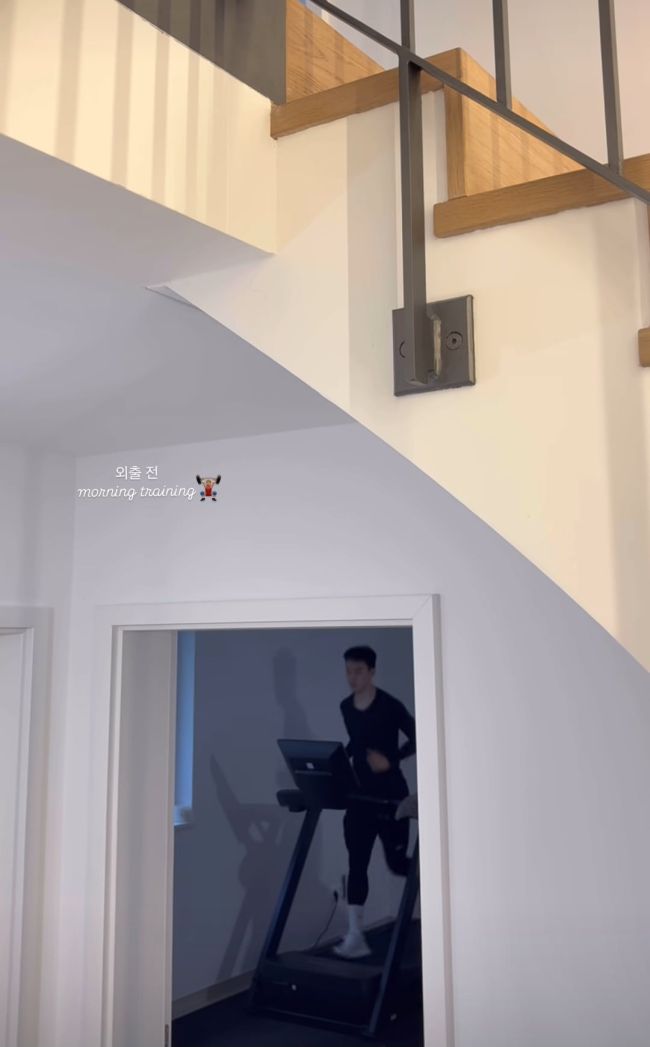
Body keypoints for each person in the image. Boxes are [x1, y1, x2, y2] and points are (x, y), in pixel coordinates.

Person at [333, 645, 416, 959]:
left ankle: (438, 889)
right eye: (348, 671)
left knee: (397, 864)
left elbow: (419, 736)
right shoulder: (345, 707)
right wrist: (338, 760)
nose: (352, 677)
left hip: (391, 795)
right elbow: (357, 741)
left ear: (371, 672)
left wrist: (390, 760)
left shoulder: (390, 706)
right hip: (360, 797)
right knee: (357, 863)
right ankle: (356, 936)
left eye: (358, 671)